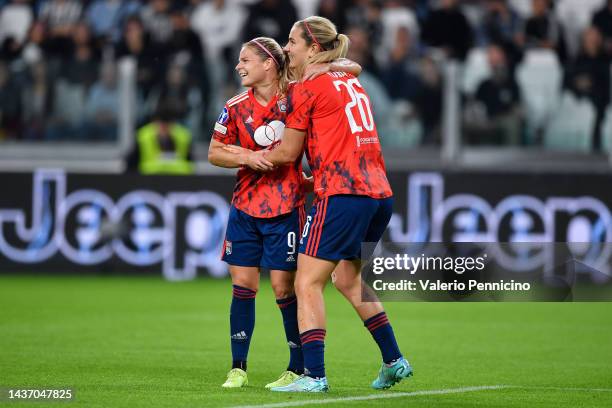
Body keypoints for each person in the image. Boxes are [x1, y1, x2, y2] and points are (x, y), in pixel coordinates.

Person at [233, 16, 411, 392]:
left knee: (306, 282)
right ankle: (394, 360)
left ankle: (314, 376)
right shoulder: (348, 78)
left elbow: (287, 152)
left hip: (343, 194)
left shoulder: (307, 89)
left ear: (313, 48)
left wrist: (247, 156)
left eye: (293, 41)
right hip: (378, 194)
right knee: (348, 279)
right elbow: (350, 68)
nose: (286, 47)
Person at [208, 36, 362, 389]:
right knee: (242, 285)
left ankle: (296, 366)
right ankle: (238, 367)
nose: (238, 66)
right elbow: (215, 152)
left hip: (287, 207)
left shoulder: (298, 94)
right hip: (245, 207)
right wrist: (247, 156)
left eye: (245, 60)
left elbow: (352, 69)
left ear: (268, 65)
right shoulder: (234, 106)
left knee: (283, 288)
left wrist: (309, 180)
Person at [127, 103, 194, 174]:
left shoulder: (183, 137)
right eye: (162, 125)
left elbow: (190, 165)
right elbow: (132, 165)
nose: (164, 129)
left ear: (173, 124)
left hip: (177, 180)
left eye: (167, 125)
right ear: (155, 122)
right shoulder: (143, 136)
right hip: (148, 181)